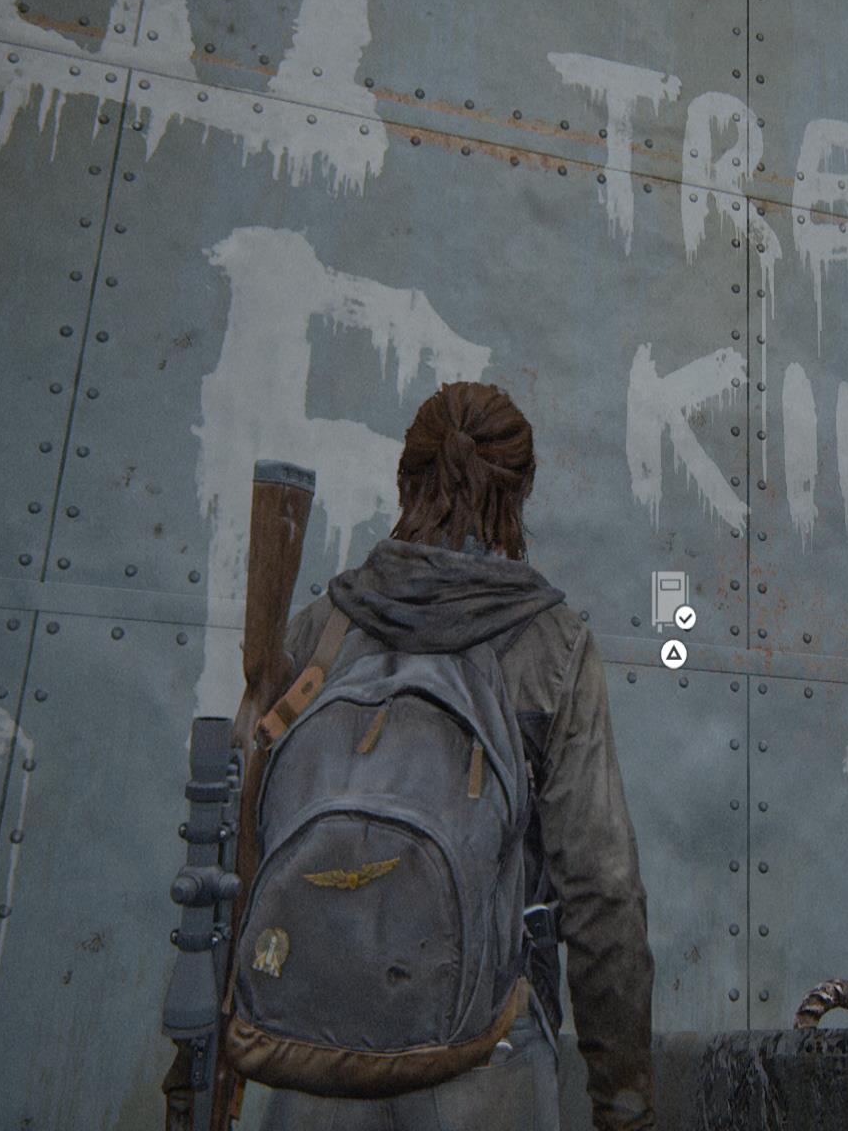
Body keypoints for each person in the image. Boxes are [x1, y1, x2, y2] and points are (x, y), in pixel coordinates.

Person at [258, 381, 656, 1131]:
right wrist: (622, 1100)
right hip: (485, 1050)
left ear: (404, 480)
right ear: (522, 492)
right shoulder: (552, 647)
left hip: (313, 1046)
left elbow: (254, 834)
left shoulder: (322, 630)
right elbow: (602, 889)